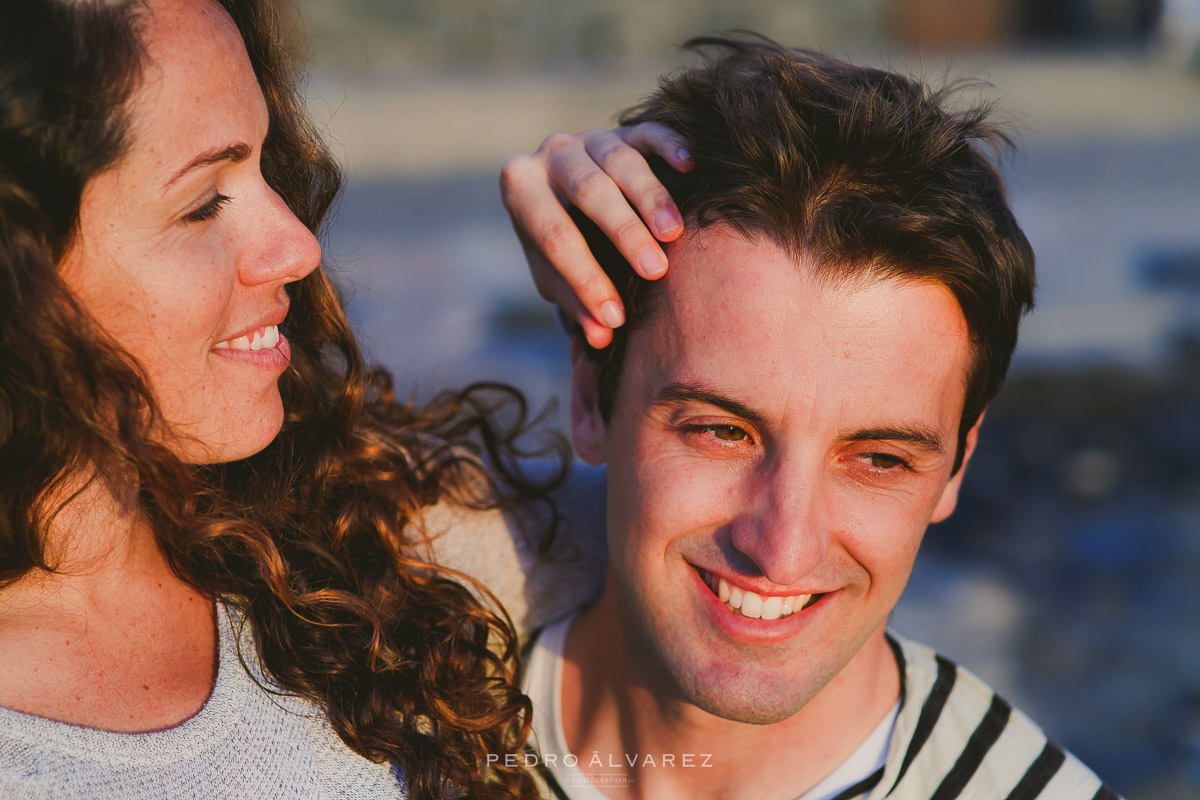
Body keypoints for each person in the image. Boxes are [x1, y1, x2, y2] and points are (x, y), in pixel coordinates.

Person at [0, 1, 683, 798]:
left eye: (262, 165)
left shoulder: (350, 530)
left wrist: (661, 263)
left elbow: (742, 554)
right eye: (202, 203)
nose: (298, 245)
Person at [515, 37, 1123, 799]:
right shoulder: (385, 710)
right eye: (721, 431)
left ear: (957, 467)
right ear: (587, 398)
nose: (781, 548)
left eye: (879, 459)